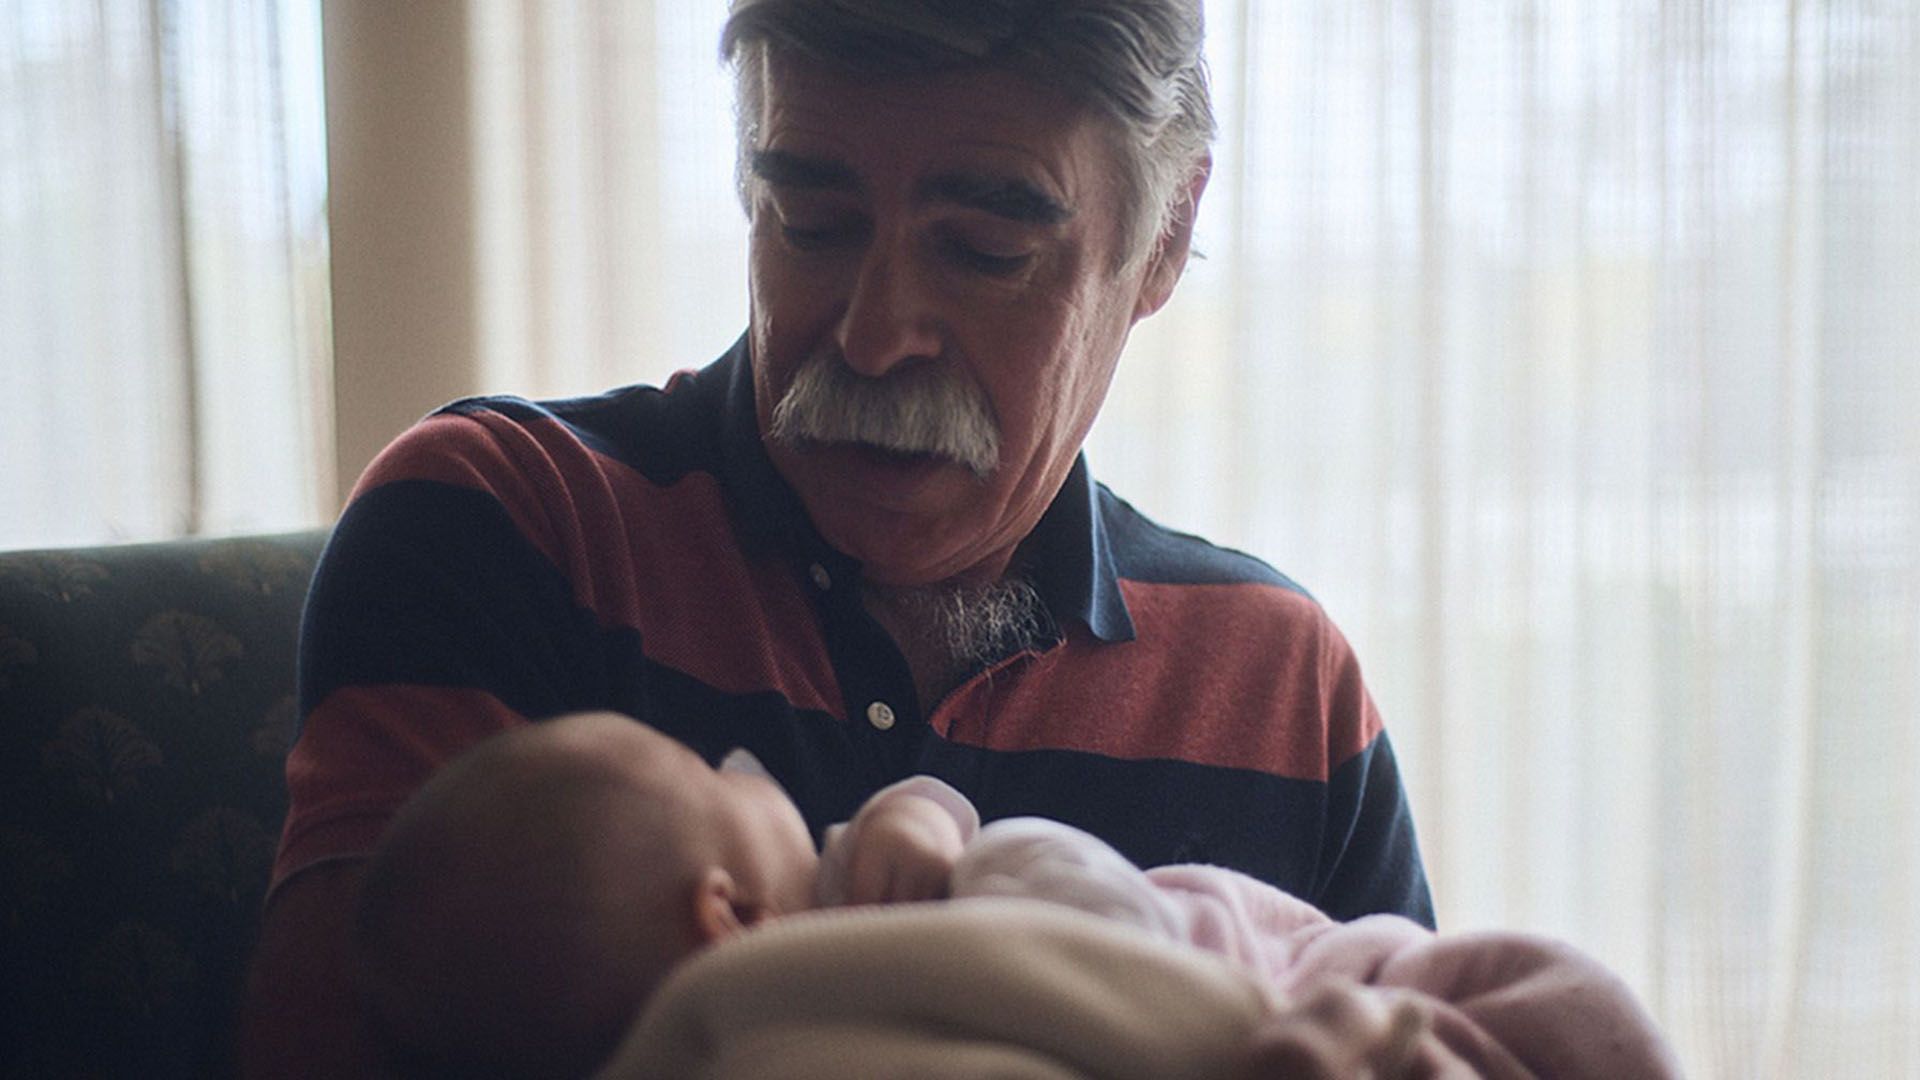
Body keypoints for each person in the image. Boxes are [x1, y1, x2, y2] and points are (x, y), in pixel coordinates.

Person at [241, 2, 1433, 1074]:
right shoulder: (505, 526)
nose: (873, 337)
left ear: (1163, 237)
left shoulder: (1278, 681)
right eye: (811, 223)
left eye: (984, 251)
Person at [355, 713, 1677, 1080]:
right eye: (717, 775)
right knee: (1560, 999)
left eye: (986, 246)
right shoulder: (936, 919)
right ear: (731, 916)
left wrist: (920, 811)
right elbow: (1120, 942)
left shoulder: (1283, 663)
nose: (746, 766)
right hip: (1288, 991)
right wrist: (972, 857)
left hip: (1332, 974)